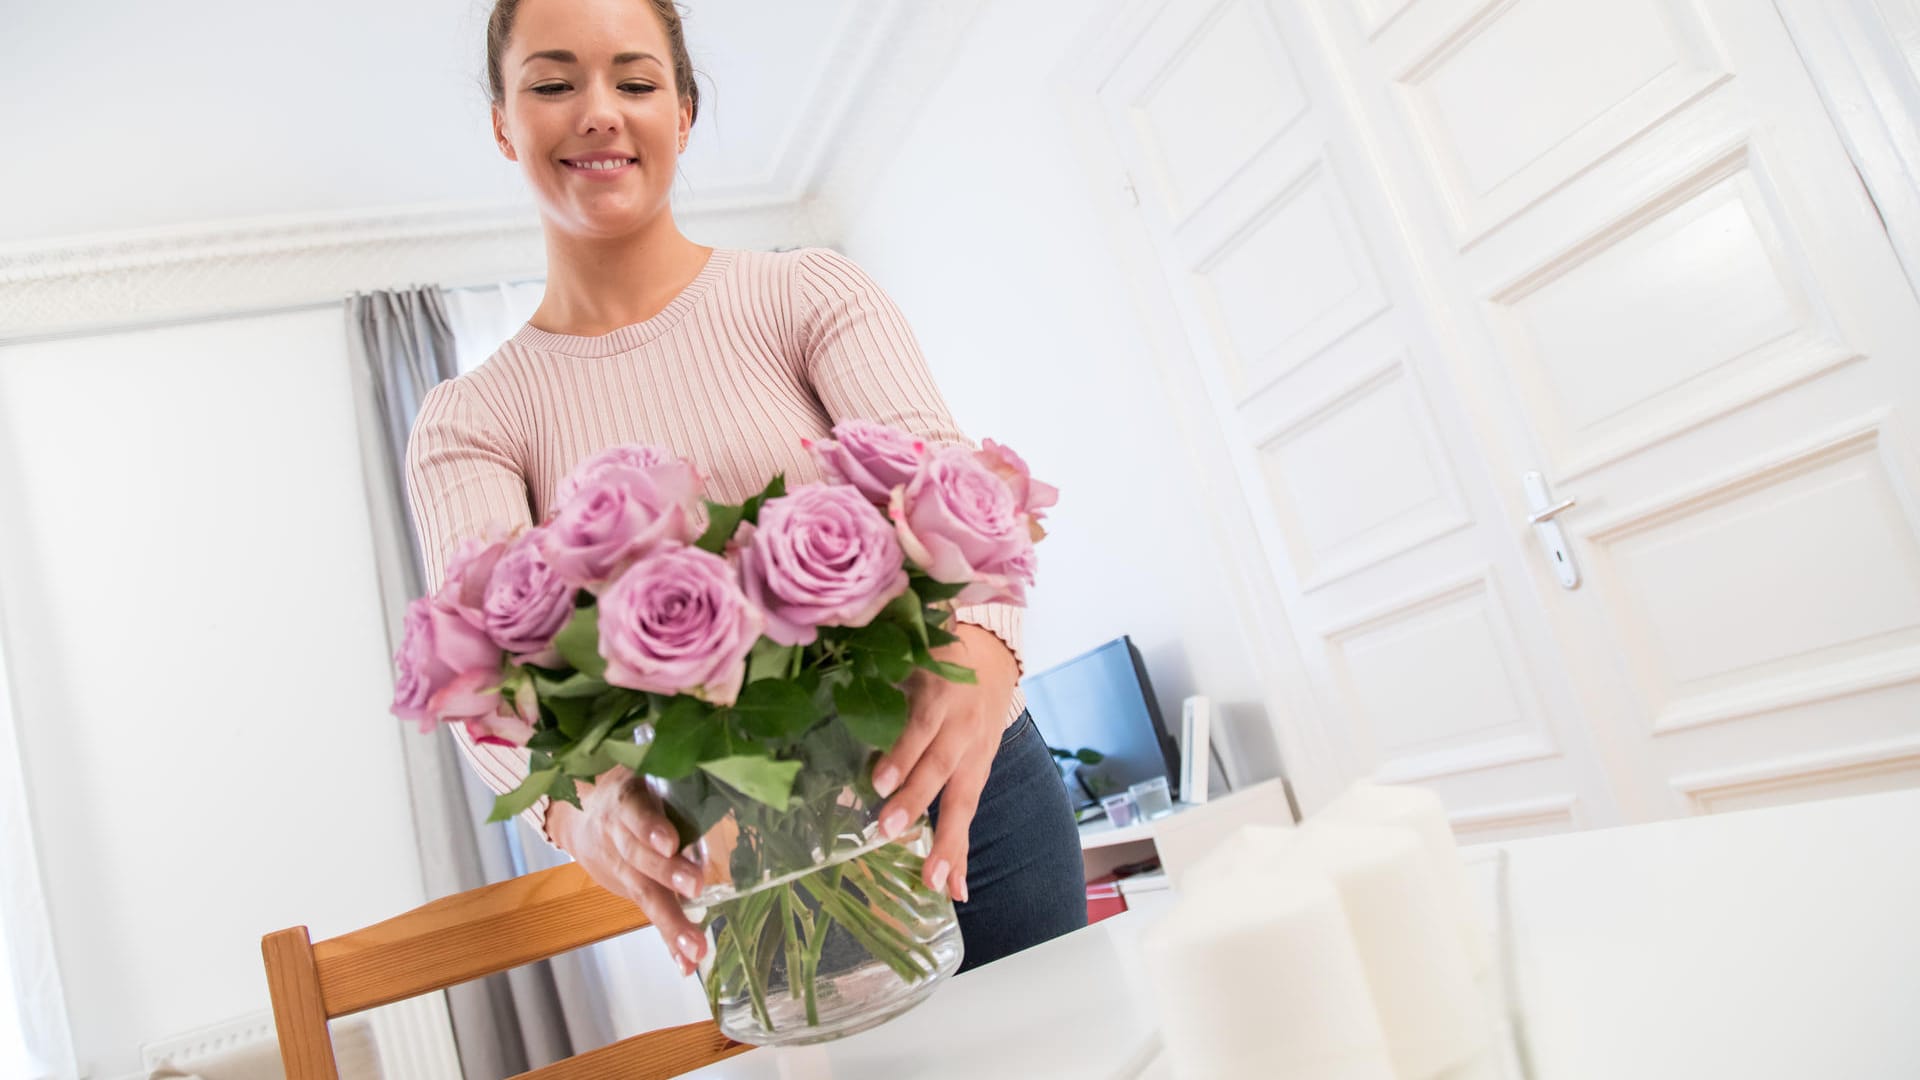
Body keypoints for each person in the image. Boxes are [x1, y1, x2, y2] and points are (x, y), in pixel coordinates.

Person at [404, 0, 1085, 978]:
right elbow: (478, 677)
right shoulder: (469, 422)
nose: (599, 112)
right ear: (505, 122)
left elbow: (952, 488)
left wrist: (983, 645)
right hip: (760, 865)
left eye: (635, 82)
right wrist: (578, 803)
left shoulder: (809, 293)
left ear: (681, 114)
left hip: (969, 800)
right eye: (554, 83)